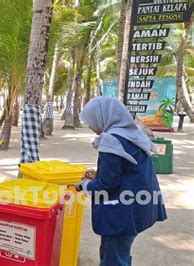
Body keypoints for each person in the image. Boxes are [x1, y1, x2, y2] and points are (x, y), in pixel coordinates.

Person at [75, 96, 167, 266]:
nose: (90, 126)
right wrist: (99, 174)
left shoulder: (111, 141)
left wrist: (83, 186)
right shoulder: (133, 134)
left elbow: (106, 186)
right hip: (139, 207)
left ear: (103, 116)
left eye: (91, 121)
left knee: (113, 258)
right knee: (121, 253)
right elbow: (127, 170)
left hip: (123, 211)